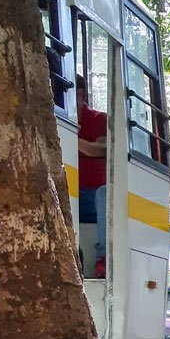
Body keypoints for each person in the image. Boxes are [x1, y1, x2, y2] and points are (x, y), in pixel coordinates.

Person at [76, 86, 107, 277]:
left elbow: (101, 149)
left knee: (104, 193)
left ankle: (102, 259)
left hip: (92, 195)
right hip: (70, 191)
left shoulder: (98, 119)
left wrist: (72, 137)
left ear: (82, 95)